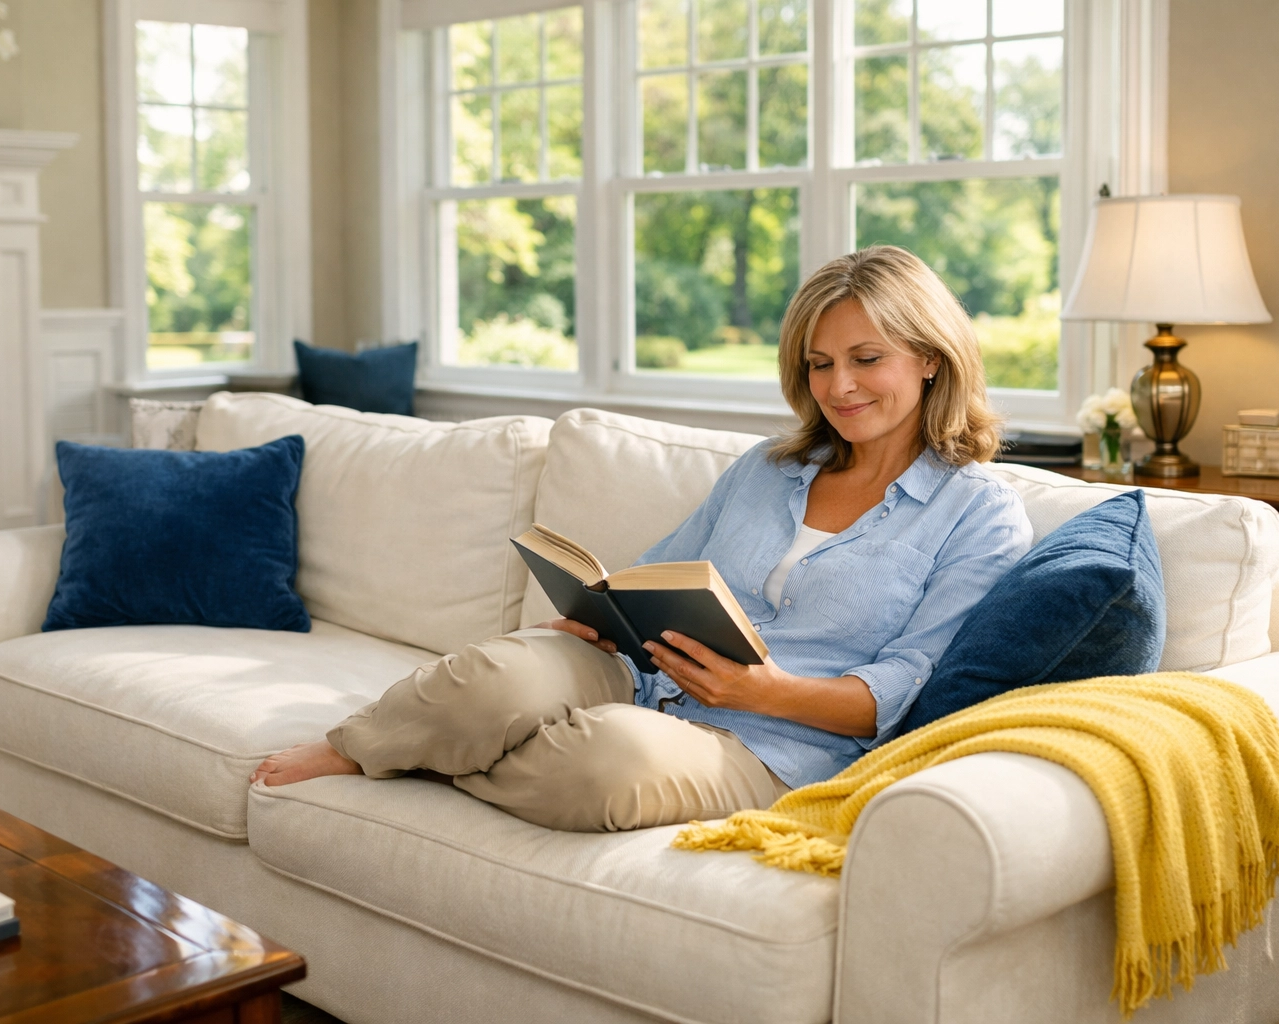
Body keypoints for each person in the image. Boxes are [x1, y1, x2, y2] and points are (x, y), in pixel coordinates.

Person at [250, 245, 1032, 831]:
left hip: (779, 746)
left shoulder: (979, 512)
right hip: (642, 675)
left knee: (604, 762)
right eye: (820, 364)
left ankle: (435, 757)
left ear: (930, 359)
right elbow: (663, 570)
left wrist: (764, 692)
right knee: (497, 672)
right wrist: (602, 612)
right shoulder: (768, 468)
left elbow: (914, 682)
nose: (839, 386)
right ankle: (364, 746)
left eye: (867, 359)